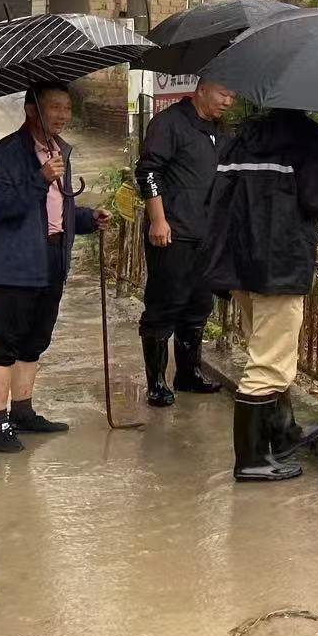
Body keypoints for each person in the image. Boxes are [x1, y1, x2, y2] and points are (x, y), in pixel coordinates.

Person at [202, 109, 318, 482]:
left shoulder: (243, 137)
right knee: (269, 363)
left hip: (240, 262)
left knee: (270, 350)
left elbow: (218, 196)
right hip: (279, 266)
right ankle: (250, 460)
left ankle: (283, 432)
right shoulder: (308, 139)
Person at [0, 82, 109, 453]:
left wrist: (87, 219)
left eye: (67, 108)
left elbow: (56, 211)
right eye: (54, 107)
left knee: (35, 340)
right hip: (14, 263)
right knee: (5, 344)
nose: (63, 115)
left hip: (51, 257)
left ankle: (22, 412)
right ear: (31, 109)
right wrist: (39, 178)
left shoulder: (57, 151)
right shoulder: (3, 156)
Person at [133, 80, 237, 406]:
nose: (228, 101)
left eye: (232, 96)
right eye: (223, 93)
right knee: (165, 305)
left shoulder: (221, 132)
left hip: (207, 235)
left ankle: (188, 373)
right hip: (172, 232)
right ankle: (157, 382)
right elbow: (148, 172)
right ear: (202, 89)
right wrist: (158, 220)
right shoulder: (169, 124)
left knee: (198, 307)